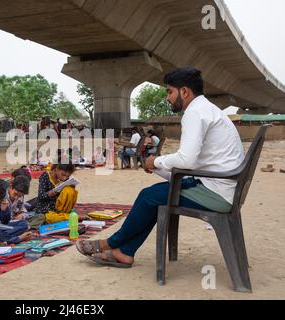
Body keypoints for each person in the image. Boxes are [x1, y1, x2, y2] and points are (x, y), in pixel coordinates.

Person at [76, 67, 244, 267]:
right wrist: (157, 167)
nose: (167, 97)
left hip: (216, 193)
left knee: (149, 196)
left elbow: (187, 161)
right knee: (155, 196)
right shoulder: (208, 109)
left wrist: (155, 161)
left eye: (169, 91)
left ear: (184, 92)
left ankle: (111, 243)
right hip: (222, 187)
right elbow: (193, 166)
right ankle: (124, 252)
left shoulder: (195, 113)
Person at [31, 162, 85, 227]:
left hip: (59, 209)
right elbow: (41, 197)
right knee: (50, 218)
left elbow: (65, 197)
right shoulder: (45, 176)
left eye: (67, 176)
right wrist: (54, 191)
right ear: (56, 169)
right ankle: (71, 217)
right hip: (46, 210)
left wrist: (72, 187)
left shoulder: (64, 179)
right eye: (63, 174)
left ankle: (67, 215)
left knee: (69, 191)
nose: (65, 178)